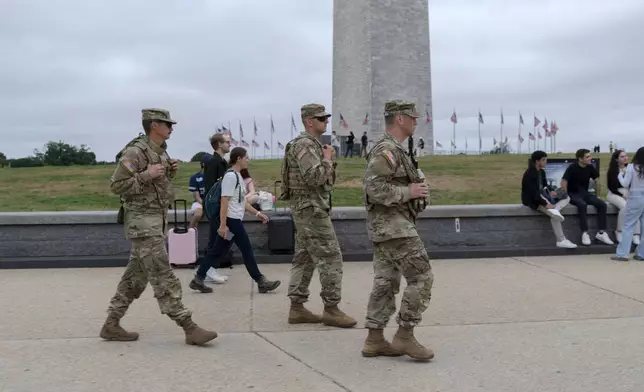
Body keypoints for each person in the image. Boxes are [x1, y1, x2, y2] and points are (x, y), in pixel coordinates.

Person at [101, 108, 217, 346]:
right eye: (167, 124)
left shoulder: (160, 152)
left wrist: (169, 173)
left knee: (135, 277)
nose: (171, 128)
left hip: (155, 220)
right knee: (163, 275)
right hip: (142, 223)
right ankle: (188, 326)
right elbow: (117, 186)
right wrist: (146, 174)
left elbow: (156, 185)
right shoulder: (134, 152)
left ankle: (111, 324)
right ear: (154, 125)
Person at [362, 100, 434, 361]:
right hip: (395, 227)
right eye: (412, 117)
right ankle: (404, 336)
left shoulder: (396, 150)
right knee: (422, 277)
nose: (417, 121)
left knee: (386, 281)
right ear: (400, 119)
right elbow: (374, 188)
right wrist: (409, 192)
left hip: (388, 228)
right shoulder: (387, 151)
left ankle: (374, 339)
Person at [280, 103, 356, 328]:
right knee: (331, 257)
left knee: (304, 257)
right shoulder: (305, 145)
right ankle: (331, 309)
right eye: (321, 119)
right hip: (311, 210)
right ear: (309, 121)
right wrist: (328, 159)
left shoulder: (310, 144)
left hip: (308, 209)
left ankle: (297, 308)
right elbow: (314, 178)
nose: (326, 122)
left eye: (326, 118)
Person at [190, 147, 281, 294]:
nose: (248, 160)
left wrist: (257, 213)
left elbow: (241, 202)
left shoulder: (237, 176)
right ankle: (261, 281)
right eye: (246, 157)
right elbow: (224, 200)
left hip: (233, 220)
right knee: (247, 250)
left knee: (217, 251)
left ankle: (198, 278)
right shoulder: (231, 176)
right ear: (238, 158)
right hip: (232, 222)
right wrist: (223, 225)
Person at [521, 151, 577, 248]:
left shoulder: (541, 172)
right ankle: (561, 240)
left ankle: (556, 209)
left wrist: (552, 191)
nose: (546, 162)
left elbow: (545, 186)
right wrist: (545, 204)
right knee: (555, 216)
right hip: (535, 201)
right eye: (543, 160)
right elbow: (534, 193)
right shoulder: (530, 174)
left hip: (545, 196)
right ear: (537, 161)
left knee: (566, 197)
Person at [561, 148, 614, 246]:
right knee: (582, 205)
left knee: (602, 204)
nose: (590, 158)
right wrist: (565, 196)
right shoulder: (572, 167)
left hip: (585, 193)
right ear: (580, 159)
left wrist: (597, 196)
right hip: (573, 194)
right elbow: (564, 182)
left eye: (590, 156)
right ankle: (585, 233)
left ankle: (601, 233)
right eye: (587, 156)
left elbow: (597, 181)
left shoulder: (590, 167)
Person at [202, 132, 233, 282]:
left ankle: (208, 269)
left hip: (221, 207)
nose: (229, 144)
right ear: (219, 144)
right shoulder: (214, 163)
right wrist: (216, 209)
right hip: (216, 208)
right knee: (218, 239)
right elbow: (211, 188)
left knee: (224, 238)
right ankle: (209, 269)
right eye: (227, 142)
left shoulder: (221, 162)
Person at [612, 147, 644, 261]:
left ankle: (622, 254)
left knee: (628, 226)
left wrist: (620, 175)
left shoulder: (631, 167)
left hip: (635, 198)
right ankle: (641, 254)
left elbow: (625, 184)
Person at [606, 149, 641, 245]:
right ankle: (619, 231)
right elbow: (612, 187)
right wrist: (622, 195)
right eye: (622, 156)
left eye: (626, 156)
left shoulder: (631, 168)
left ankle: (636, 234)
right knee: (625, 207)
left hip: (628, 193)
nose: (625, 158)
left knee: (636, 207)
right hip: (614, 193)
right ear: (616, 159)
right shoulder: (613, 170)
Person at [188, 153, 211, 229]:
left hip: (213, 202)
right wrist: (205, 205)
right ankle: (190, 231)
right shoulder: (195, 177)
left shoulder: (216, 177)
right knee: (198, 214)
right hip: (200, 202)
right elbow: (197, 196)